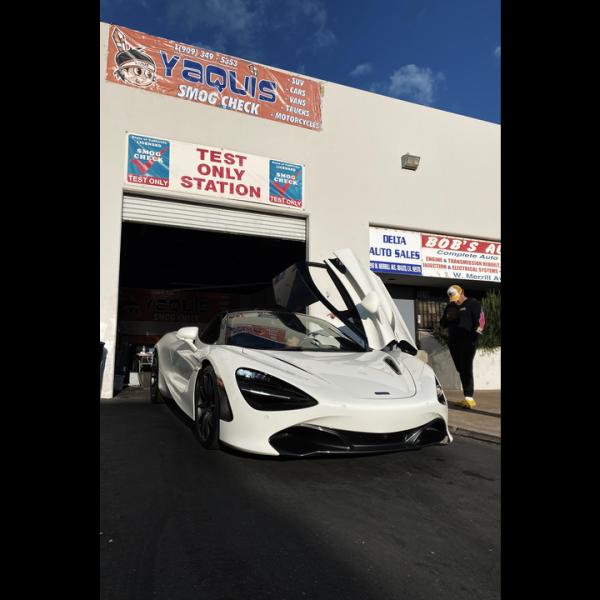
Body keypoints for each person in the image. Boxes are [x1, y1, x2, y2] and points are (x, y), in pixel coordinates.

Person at [439, 285, 485, 409]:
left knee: (466, 366)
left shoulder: (473, 304)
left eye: (457, 297)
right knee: (460, 368)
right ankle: (467, 397)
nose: (456, 301)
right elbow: (442, 323)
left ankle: (469, 397)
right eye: (453, 299)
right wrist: (448, 318)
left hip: (468, 341)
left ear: (462, 292)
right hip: (454, 342)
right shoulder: (451, 306)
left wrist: (475, 337)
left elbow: (481, 321)